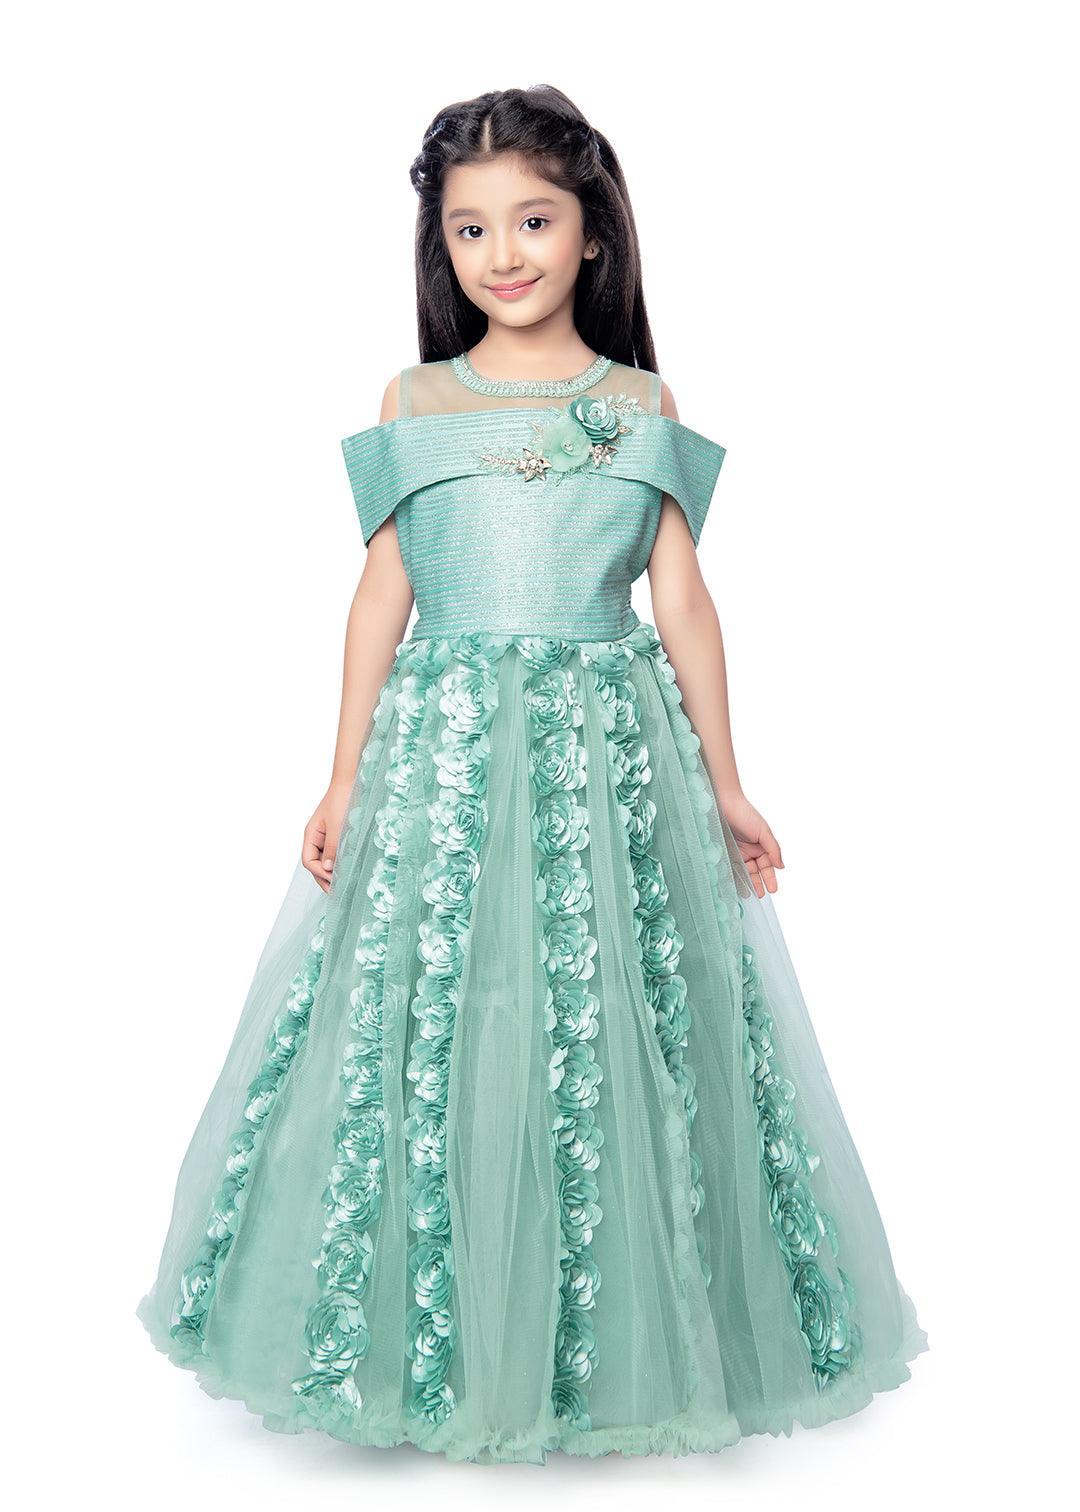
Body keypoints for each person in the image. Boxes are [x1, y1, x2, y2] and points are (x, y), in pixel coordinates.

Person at [137, 83, 928, 1466]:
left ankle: (604, 1340)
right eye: (470, 230)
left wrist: (729, 784)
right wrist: (340, 776)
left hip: (604, 756)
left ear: (593, 233)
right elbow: (380, 597)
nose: (502, 254)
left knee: (608, 1016)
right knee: (438, 1008)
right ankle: (434, 1338)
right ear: (440, 248)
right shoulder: (414, 400)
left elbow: (685, 604)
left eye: (534, 220)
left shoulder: (639, 404)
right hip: (442, 754)